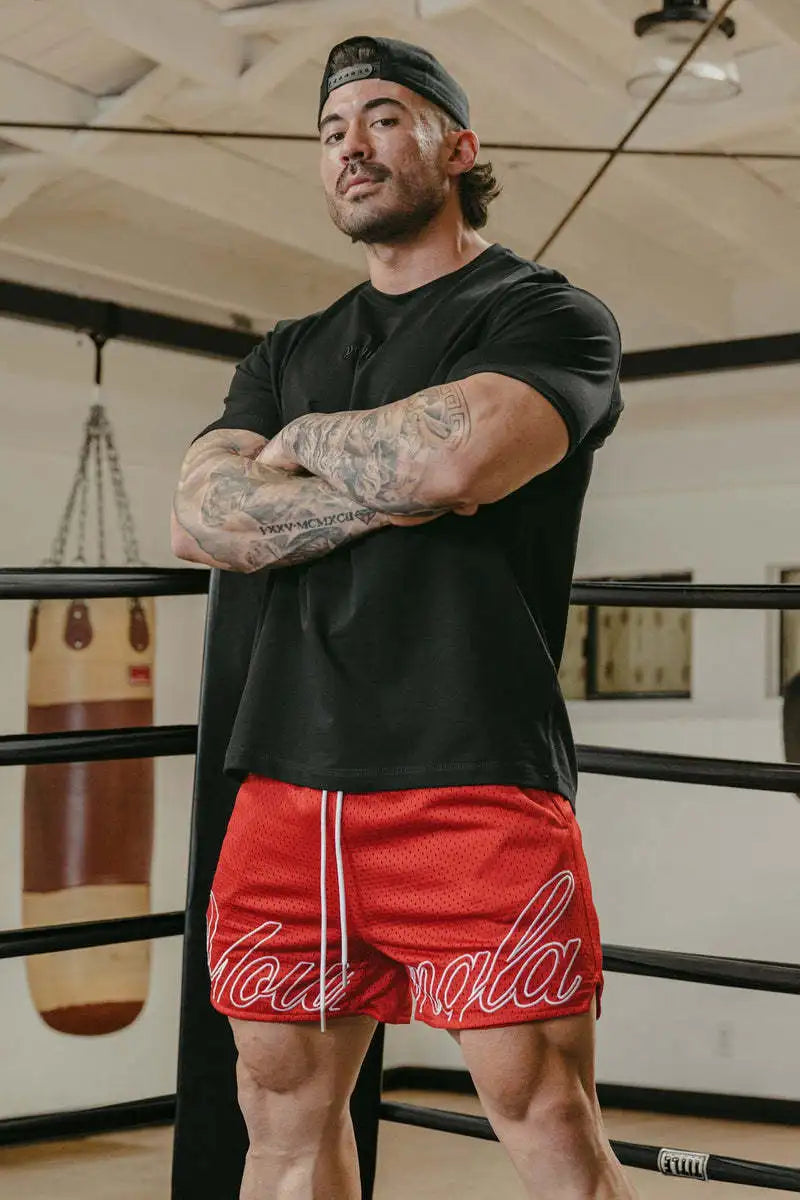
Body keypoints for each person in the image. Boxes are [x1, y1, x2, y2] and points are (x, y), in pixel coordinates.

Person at [171, 34, 636, 1200]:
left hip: (468, 777)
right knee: (281, 1124)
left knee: (544, 1116)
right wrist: (395, 477)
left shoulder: (547, 315)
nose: (351, 147)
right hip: (283, 787)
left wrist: (301, 449)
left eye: (381, 118)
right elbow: (203, 522)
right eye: (331, 131)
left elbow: (458, 461)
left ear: (457, 146)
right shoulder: (288, 349)